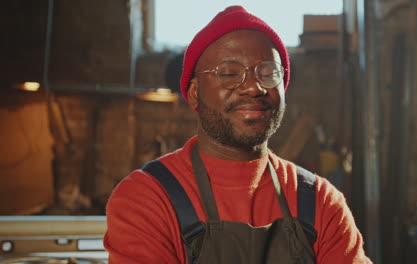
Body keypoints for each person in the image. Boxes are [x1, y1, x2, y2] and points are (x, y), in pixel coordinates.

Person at [104, 6, 372, 264]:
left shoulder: (319, 201)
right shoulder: (147, 198)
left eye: (268, 73)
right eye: (230, 74)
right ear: (195, 92)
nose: (253, 88)